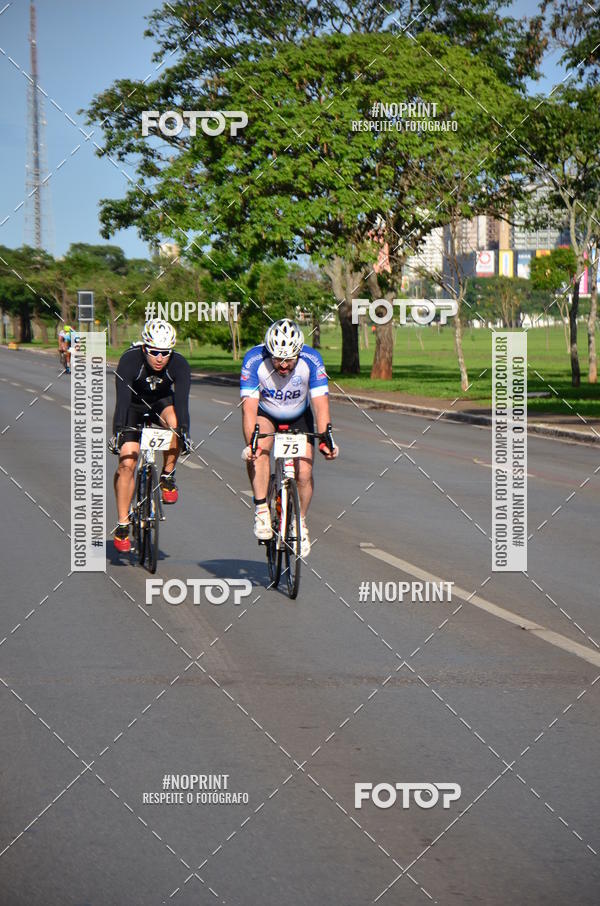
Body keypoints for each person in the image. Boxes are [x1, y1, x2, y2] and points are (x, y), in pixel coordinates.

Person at [240, 318, 338, 557]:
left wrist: (326, 438)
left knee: (304, 471)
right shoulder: (254, 361)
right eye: (278, 359)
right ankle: (262, 509)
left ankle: (300, 522)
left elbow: (321, 405)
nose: (283, 365)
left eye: (289, 359)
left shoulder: (312, 360)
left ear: (299, 353)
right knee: (260, 448)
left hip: (298, 414)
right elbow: (249, 409)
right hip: (267, 412)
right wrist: (250, 443)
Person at [108, 318, 192, 553]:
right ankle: (123, 522)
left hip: (160, 404)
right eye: (154, 352)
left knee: (175, 423)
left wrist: (184, 431)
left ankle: (167, 475)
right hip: (133, 408)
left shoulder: (179, 364)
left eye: (165, 353)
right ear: (145, 348)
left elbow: (182, 403)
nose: (159, 358)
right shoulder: (129, 360)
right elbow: (122, 401)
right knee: (127, 461)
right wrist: (118, 432)